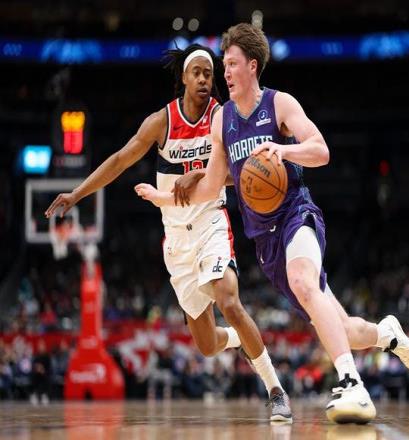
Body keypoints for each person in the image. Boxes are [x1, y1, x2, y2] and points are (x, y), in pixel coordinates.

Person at [135, 25, 409, 423]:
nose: (225, 73)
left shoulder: (279, 104)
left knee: (304, 282)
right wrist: (164, 198)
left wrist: (283, 150)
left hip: (296, 214)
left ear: (252, 66)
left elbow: (321, 150)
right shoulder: (222, 122)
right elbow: (210, 187)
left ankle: (351, 385)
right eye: (225, 65)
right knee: (343, 328)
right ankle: (387, 334)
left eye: (232, 64)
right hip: (266, 241)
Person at [45, 44, 292, 421]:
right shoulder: (161, 122)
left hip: (211, 223)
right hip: (177, 242)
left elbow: (246, 171)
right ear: (183, 78)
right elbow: (120, 160)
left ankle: (275, 390)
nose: (204, 79)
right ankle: (239, 337)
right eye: (197, 73)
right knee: (207, 345)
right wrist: (77, 193)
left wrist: (202, 175)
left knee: (229, 301)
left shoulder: (223, 117)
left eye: (209, 74)